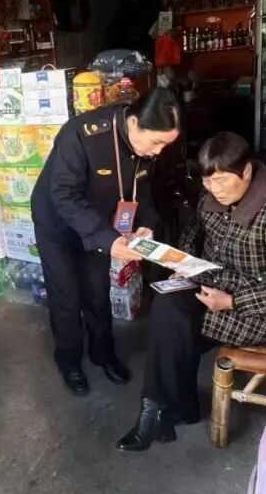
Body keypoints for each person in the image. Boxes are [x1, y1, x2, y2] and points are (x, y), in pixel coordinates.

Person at [117, 131, 266, 451]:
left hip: (261, 311)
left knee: (172, 325)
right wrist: (183, 261)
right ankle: (164, 409)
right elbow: (195, 233)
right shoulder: (210, 199)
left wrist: (232, 301)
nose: (214, 189)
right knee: (167, 305)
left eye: (221, 180)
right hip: (213, 283)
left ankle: (159, 413)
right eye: (207, 180)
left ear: (246, 172)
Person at [31, 87, 181, 396]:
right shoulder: (82, 134)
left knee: (97, 290)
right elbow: (63, 195)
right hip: (58, 223)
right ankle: (69, 361)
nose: (158, 152)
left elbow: (142, 191)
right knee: (66, 295)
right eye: (156, 142)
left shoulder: (143, 147)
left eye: (165, 145)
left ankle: (103, 354)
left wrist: (145, 224)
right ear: (134, 122)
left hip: (99, 222)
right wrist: (107, 239)